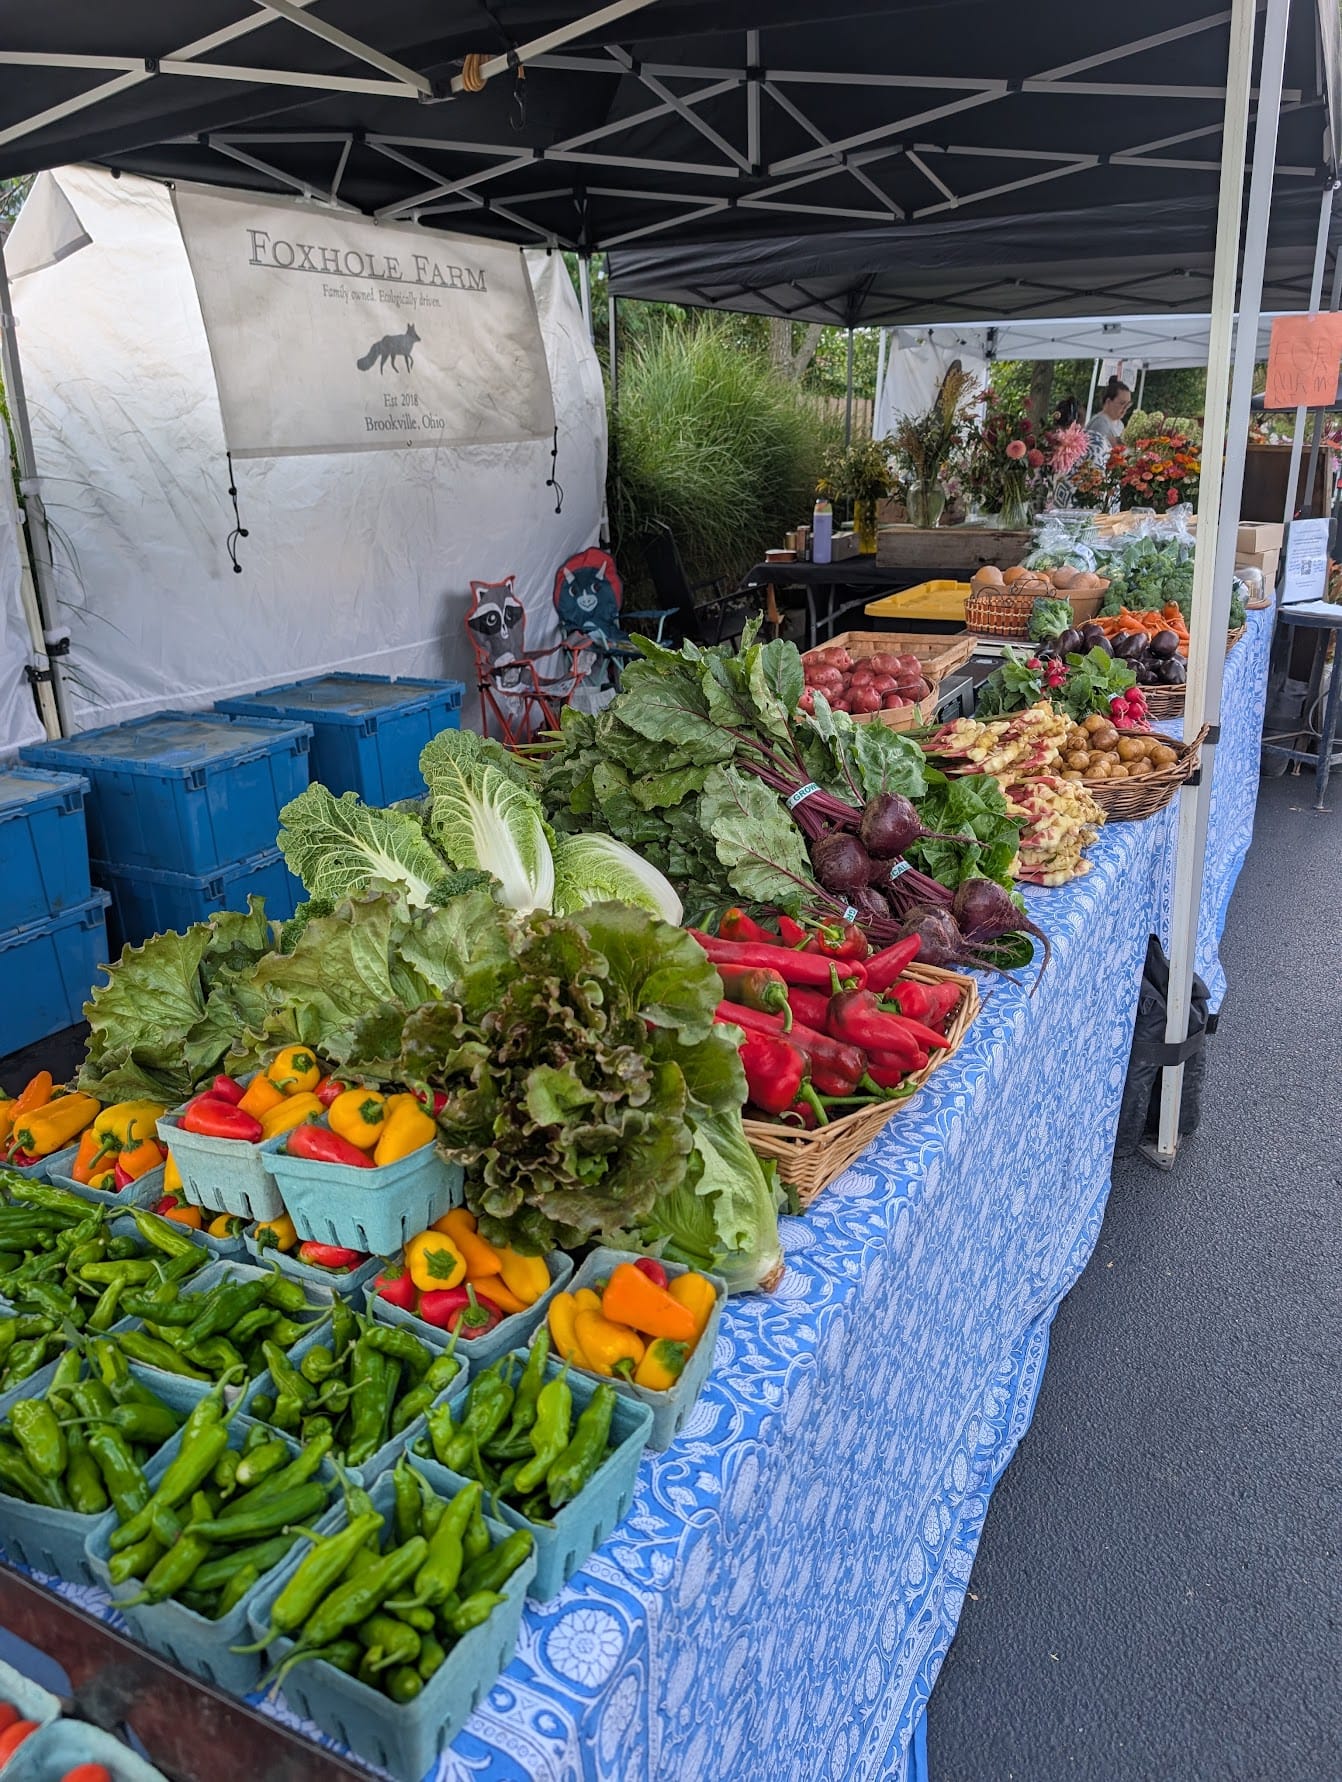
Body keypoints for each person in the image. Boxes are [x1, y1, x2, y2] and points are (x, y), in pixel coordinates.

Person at [1084, 377, 1132, 461]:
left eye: (1128, 405)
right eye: (1122, 403)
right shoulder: (1100, 422)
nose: (1125, 408)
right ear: (1108, 402)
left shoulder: (1120, 424)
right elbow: (1094, 457)